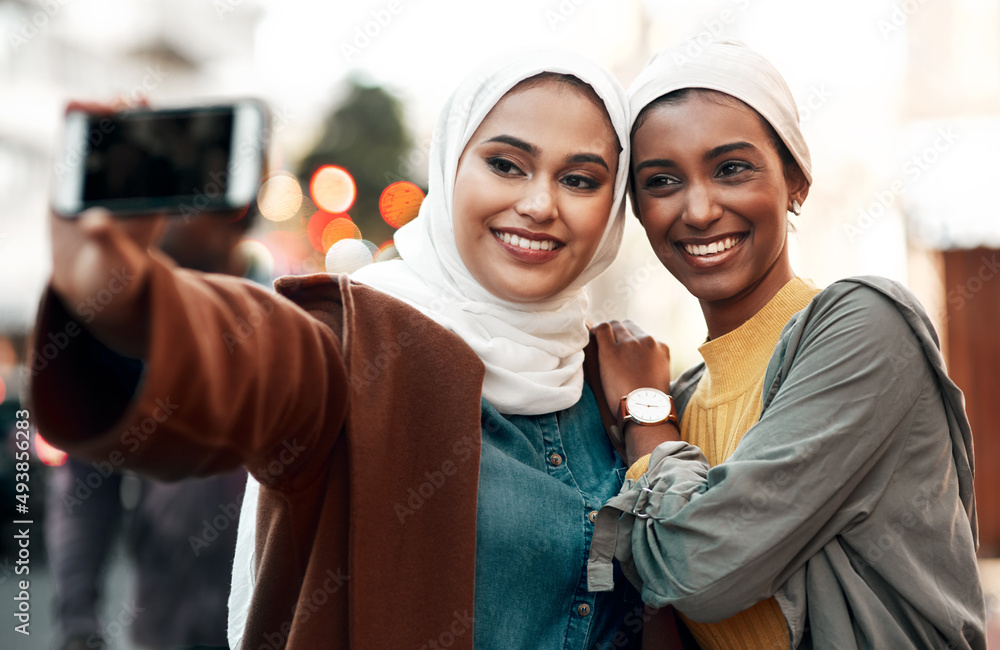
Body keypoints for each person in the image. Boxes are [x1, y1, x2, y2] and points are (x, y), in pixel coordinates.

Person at [31, 49, 654, 649]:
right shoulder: (362, 337)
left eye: (579, 179)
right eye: (506, 165)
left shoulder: (612, 377)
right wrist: (120, 299)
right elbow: (258, 360)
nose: (539, 203)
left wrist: (646, 410)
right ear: (449, 169)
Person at [587, 40, 985, 649]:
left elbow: (696, 572)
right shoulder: (687, 399)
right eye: (661, 180)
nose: (698, 209)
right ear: (638, 209)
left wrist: (643, 404)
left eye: (731, 168)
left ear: (794, 180)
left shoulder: (862, 327)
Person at [44, 208, 255, 650]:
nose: (167, 215)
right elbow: (87, 482)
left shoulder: (289, 315)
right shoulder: (131, 323)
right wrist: (78, 617)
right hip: (165, 621)